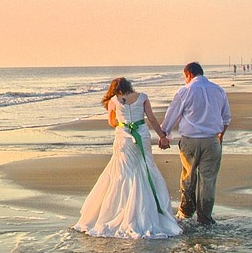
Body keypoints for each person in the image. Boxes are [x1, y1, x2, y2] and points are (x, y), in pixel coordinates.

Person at [74, 77, 182, 238]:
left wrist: (123, 123)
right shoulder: (142, 97)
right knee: (145, 167)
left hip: (124, 137)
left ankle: (120, 209)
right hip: (142, 134)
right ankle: (150, 212)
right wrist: (163, 136)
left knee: (123, 172)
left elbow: (112, 122)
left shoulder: (113, 101)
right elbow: (151, 119)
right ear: (129, 86)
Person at [160, 62, 230, 226]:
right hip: (212, 139)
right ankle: (204, 217)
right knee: (208, 180)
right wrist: (220, 137)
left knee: (188, 177)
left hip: (189, 141)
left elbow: (172, 116)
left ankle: (186, 213)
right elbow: (226, 118)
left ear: (189, 74)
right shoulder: (218, 90)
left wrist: (165, 135)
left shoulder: (185, 91)